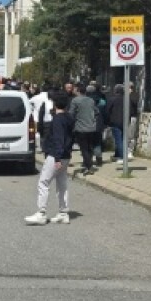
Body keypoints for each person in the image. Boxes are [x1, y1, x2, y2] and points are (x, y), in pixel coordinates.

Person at [25, 92, 74, 225]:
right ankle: (63, 212)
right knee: (62, 183)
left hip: (55, 155)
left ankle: (41, 212)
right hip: (66, 155)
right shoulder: (69, 118)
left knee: (44, 182)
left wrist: (57, 158)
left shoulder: (57, 119)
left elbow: (58, 139)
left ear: (54, 104)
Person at [68, 84, 99, 175]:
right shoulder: (91, 100)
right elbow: (97, 112)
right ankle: (87, 164)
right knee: (89, 147)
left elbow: (71, 113)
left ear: (78, 91)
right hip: (91, 127)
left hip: (80, 128)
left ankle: (89, 166)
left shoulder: (75, 100)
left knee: (84, 148)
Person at [105, 84, 132, 162]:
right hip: (125, 121)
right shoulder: (127, 99)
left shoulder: (112, 99)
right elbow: (131, 110)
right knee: (122, 139)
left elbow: (107, 111)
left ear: (115, 91)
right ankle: (117, 154)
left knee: (118, 140)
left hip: (115, 121)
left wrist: (107, 121)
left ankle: (122, 157)